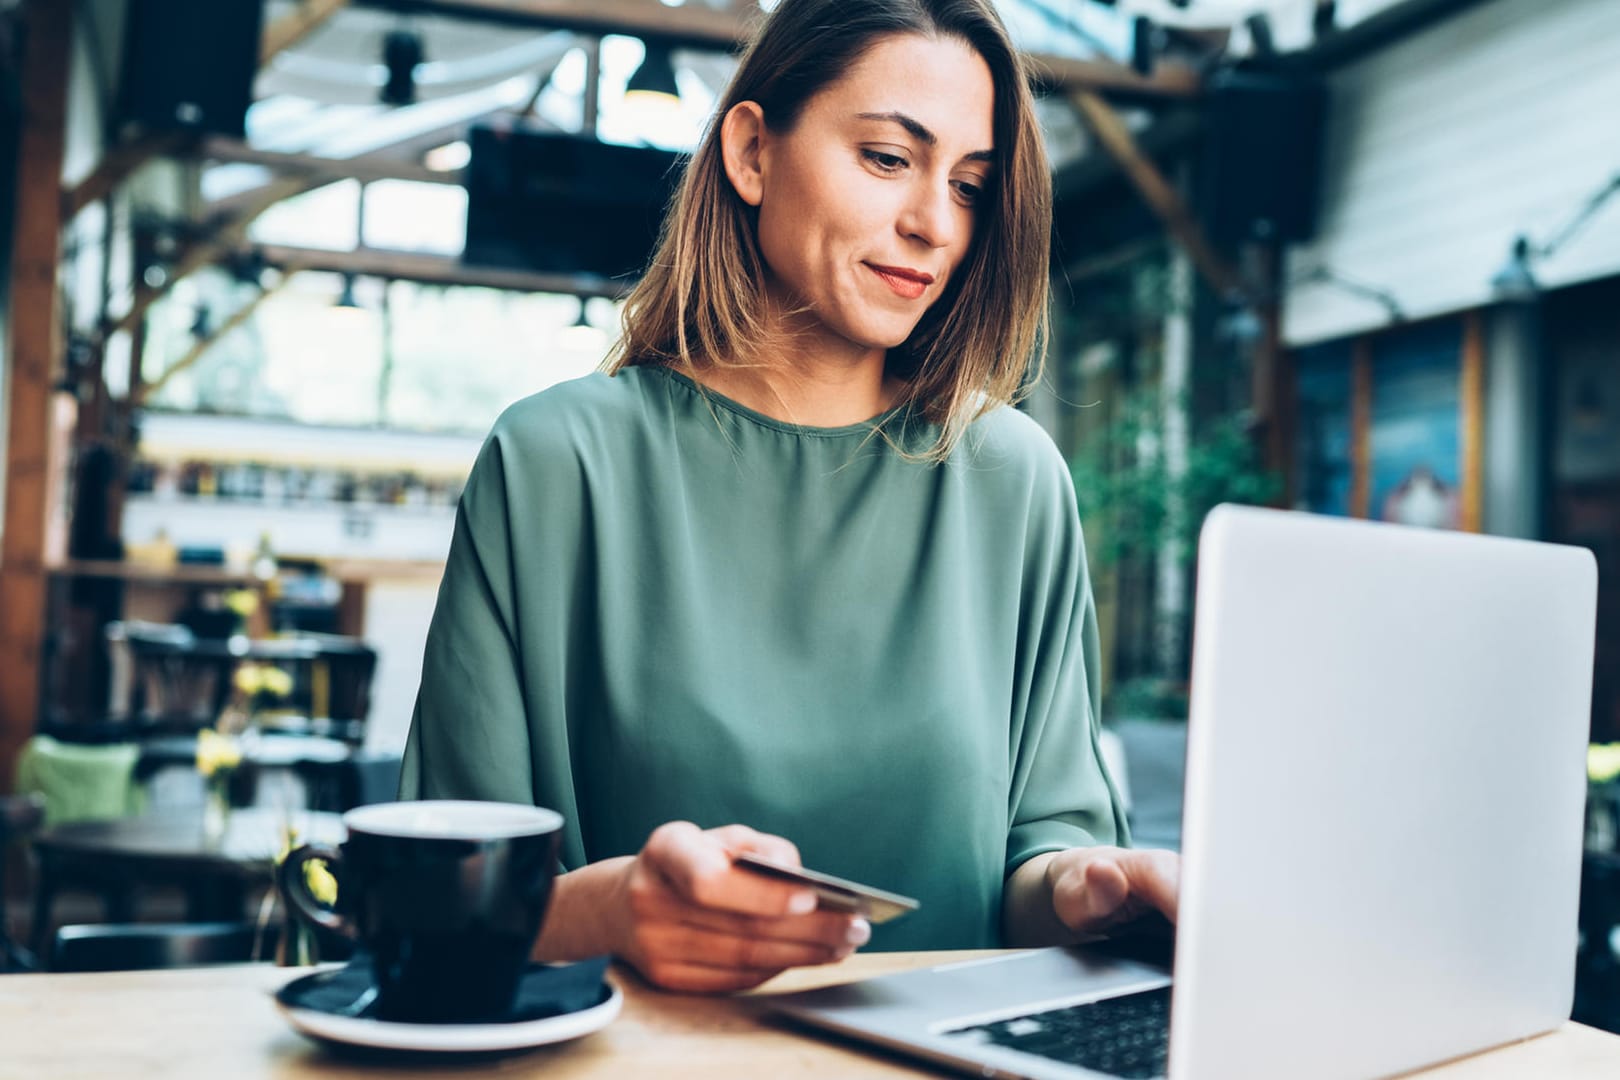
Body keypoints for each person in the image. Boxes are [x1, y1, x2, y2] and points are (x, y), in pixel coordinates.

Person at [400, 0, 1179, 993]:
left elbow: (1040, 855)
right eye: (890, 159)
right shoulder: (555, 464)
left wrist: (1089, 886)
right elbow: (437, 906)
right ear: (753, 151)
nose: (934, 224)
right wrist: (610, 911)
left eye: (972, 186)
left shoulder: (1010, 478)